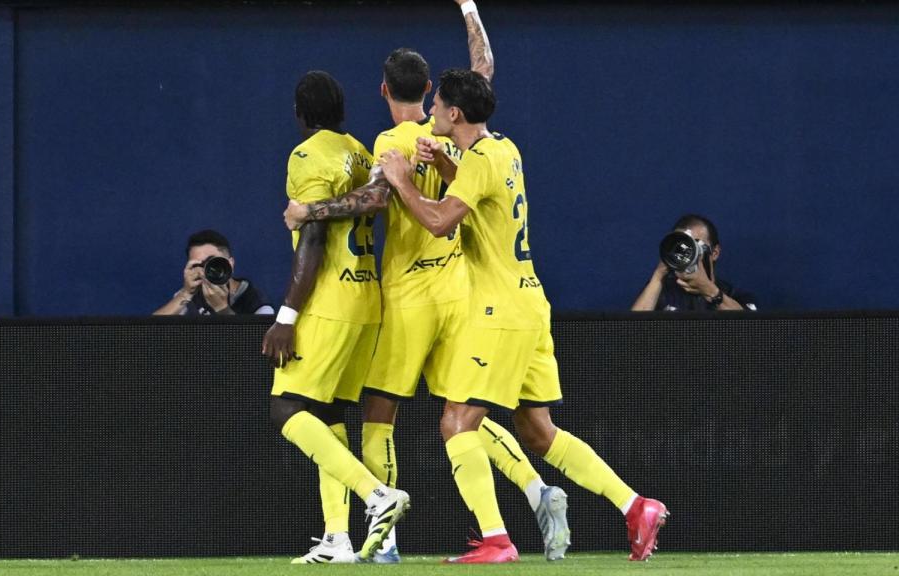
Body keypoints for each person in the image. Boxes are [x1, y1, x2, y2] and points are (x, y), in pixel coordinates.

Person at [283, 0, 570, 563]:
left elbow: (371, 198)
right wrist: (468, 9)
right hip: (461, 293)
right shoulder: (457, 133)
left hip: (411, 294)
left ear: (384, 91)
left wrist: (305, 212)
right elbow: (483, 67)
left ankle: (383, 540)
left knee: (379, 412)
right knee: (466, 410)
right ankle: (535, 490)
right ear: (434, 91)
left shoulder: (390, 144)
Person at [379, 68, 668, 563]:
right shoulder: (502, 150)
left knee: (456, 422)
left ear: (455, 113)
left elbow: (439, 221)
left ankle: (496, 539)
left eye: (438, 105)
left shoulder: (481, 159)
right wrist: (446, 167)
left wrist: (402, 180)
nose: (430, 113)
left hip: (499, 310)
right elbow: (480, 194)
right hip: (530, 303)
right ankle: (635, 505)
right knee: (538, 431)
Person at [262, 70, 410, 565]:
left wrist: (286, 315)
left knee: (287, 409)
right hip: (368, 301)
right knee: (327, 416)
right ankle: (337, 538)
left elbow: (313, 237)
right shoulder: (362, 151)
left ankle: (376, 496)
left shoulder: (307, 155)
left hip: (327, 302)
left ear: (299, 113)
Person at [631, 214, 758, 311]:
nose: (688, 252)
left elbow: (752, 333)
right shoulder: (663, 291)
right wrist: (658, 275)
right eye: (682, 246)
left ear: (715, 253)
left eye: (695, 244)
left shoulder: (734, 295)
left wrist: (709, 290)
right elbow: (631, 334)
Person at [154, 229, 273, 316]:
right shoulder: (191, 295)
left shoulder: (256, 301)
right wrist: (186, 293)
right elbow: (151, 332)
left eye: (213, 262)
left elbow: (252, 347)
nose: (208, 269)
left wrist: (222, 309)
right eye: (198, 265)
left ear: (230, 263)